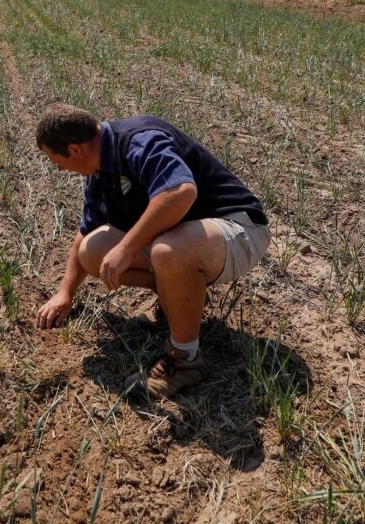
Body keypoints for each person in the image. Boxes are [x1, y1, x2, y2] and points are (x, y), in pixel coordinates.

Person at [35, 103, 271, 398]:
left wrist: (126, 247)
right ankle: (180, 297)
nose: (60, 170)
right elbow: (83, 234)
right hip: (192, 238)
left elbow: (181, 192)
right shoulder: (98, 172)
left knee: (167, 251)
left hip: (239, 230)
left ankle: (185, 360)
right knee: (91, 249)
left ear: (74, 150)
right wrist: (65, 293)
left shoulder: (138, 140)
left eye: (57, 162)